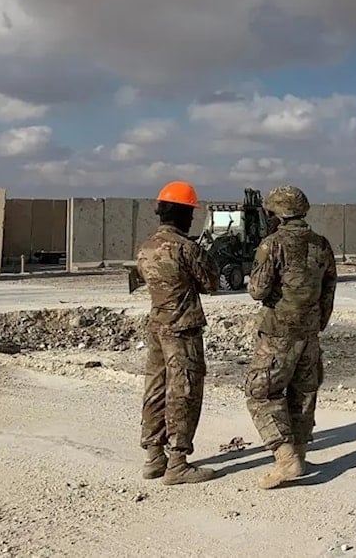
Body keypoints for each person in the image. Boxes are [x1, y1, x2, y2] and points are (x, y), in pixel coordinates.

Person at [245, 185, 337, 489]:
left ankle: (285, 458)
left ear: (276, 213)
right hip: (309, 333)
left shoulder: (272, 245)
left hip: (278, 333)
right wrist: (316, 324)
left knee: (262, 393)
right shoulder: (322, 245)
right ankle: (299, 453)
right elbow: (328, 292)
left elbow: (257, 290)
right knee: (303, 393)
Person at [136, 180, 220, 485]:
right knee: (183, 390)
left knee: (156, 387)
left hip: (157, 324)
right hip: (182, 328)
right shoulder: (186, 248)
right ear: (185, 215)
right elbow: (211, 283)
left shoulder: (145, 248)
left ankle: (153, 457)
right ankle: (178, 463)